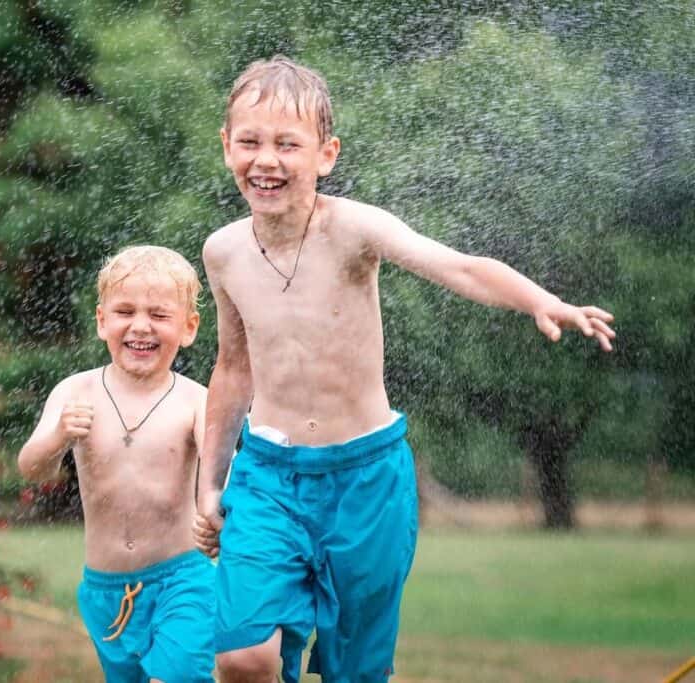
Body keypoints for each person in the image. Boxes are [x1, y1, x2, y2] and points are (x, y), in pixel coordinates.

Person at [193, 56, 616, 683]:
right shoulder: (223, 252)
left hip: (366, 478)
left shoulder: (353, 230)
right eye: (250, 141)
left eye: (288, 144)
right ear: (227, 147)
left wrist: (539, 300)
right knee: (242, 658)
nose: (267, 160)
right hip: (268, 475)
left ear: (326, 154)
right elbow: (231, 369)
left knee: (356, 672)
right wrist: (210, 480)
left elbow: (460, 266)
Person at [19, 245, 215, 683]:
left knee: (177, 676)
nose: (140, 326)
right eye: (125, 311)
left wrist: (218, 513)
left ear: (188, 328)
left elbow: (224, 471)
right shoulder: (74, 392)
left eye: (159, 315)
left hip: (183, 578)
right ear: (101, 320)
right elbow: (31, 466)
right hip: (105, 592)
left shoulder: (196, 400)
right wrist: (58, 437)